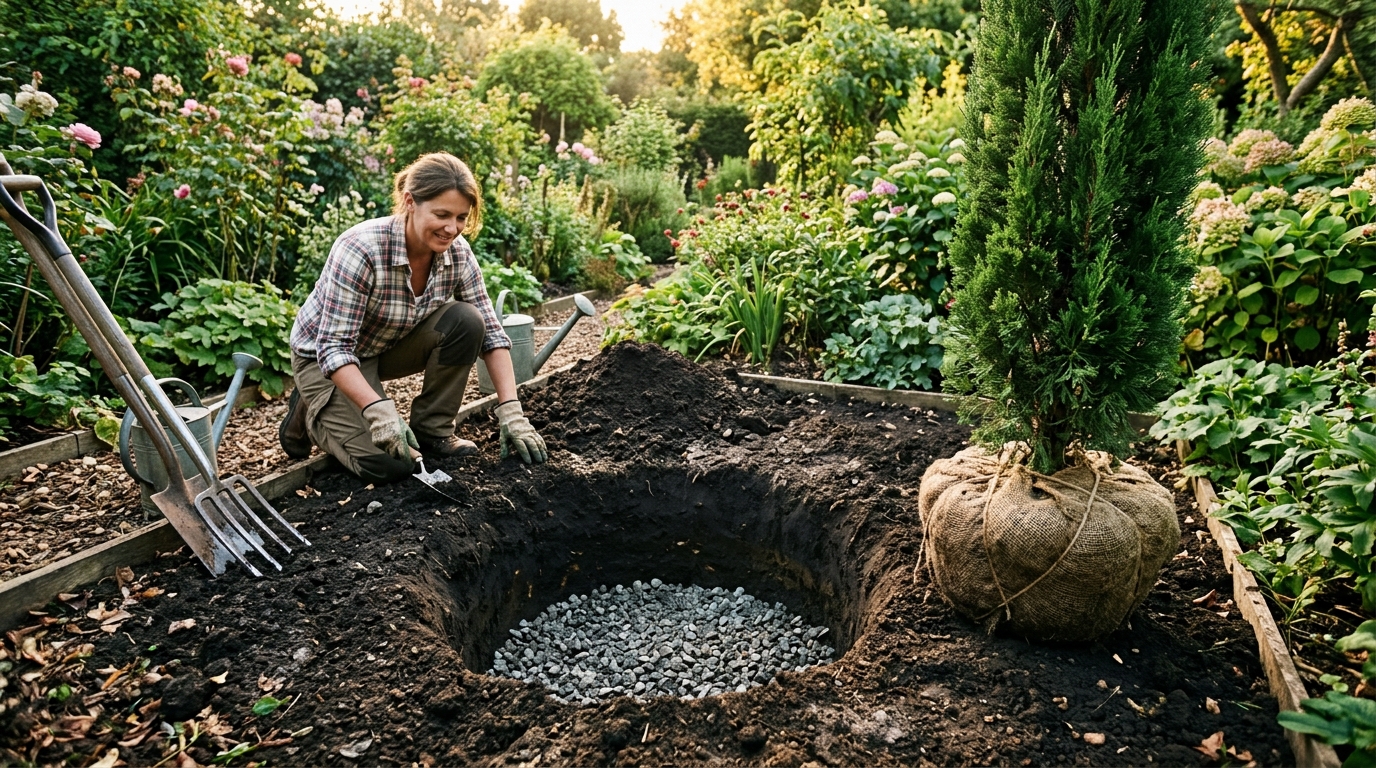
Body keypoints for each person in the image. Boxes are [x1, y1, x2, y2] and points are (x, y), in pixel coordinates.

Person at [279, 152, 546, 483]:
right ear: (409, 201)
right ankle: (311, 409)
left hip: (382, 345)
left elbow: (491, 333)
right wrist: (378, 412)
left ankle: (433, 431)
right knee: (391, 464)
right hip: (325, 359)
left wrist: (511, 411)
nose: (452, 228)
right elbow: (333, 348)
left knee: (467, 320)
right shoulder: (361, 249)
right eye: (442, 214)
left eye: (461, 217)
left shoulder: (457, 253)